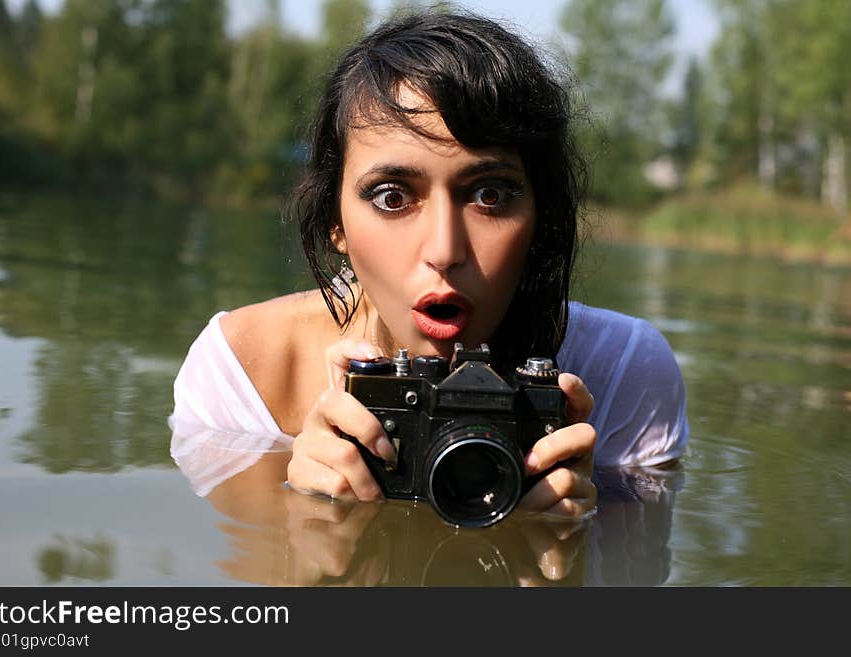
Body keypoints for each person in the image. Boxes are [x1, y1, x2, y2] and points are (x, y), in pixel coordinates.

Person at [169, 10, 689, 524]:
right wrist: (312, 532)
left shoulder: (623, 376)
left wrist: (565, 543)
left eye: (489, 194)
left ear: (542, 220)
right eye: (393, 197)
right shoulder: (243, 371)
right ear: (336, 224)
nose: (444, 251)